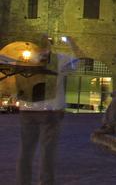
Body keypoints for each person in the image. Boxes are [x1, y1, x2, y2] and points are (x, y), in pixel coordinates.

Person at [15, 34, 81, 185]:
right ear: (49, 45)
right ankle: (45, 182)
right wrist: (72, 43)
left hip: (27, 109)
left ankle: (22, 182)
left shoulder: (24, 59)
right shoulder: (58, 59)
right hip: (50, 111)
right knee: (47, 151)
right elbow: (77, 63)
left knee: (25, 150)